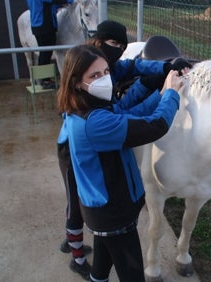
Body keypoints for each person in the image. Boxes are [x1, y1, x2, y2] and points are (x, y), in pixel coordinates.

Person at [57, 19, 191, 280]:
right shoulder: (95, 123)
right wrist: (171, 95)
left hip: (104, 214)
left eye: (106, 72)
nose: (105, 79)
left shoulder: (91, 108)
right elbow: (154, 126)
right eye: (95, 76)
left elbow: (129, 112)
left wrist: (159, 89)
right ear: (76, 82)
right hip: (114, 215)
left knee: (102, 264)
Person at [26, 0, 72, 88]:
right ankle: (44, 80)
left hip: (45, 24)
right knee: (45, 52)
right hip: (43, 25)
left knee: (46, 52)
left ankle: (45, 79)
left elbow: (51, 4)